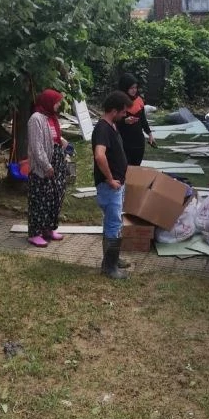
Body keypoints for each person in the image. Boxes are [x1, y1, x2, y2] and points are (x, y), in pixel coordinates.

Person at [92, 90, 133, 279]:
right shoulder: (102, 129)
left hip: (116, 185)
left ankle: (113, 260)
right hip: (109, 187)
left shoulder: (111, 126)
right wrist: (109, 179)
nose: (125, 115)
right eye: (123, 112)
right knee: (113, 224)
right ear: (114, 111)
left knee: (114, 224)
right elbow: (99, 155)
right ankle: (109, 268)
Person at [26, 89, 70, 248]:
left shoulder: (50, 117)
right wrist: (46, 165)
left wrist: (63, 142)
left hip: (56, 162)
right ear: (48, 102)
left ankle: (48, 229)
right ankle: (35, 233)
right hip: (42, 167)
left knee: (54, 197)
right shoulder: (35, 119)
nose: (58, 105)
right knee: (40, 199)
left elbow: (53, 136)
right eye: (57, 102)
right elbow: (37, 146)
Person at [117, 73, 155, 166]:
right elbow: (112, 122)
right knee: (125, 168)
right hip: (123, 141)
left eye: (135, 87)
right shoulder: (118, 101)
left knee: (136, 168)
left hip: (138, 142)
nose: (134, 90)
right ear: (125, 87)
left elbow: (143, 120)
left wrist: (150, 134)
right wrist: (124, 121)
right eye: (131, 88)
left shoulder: (139, 100)